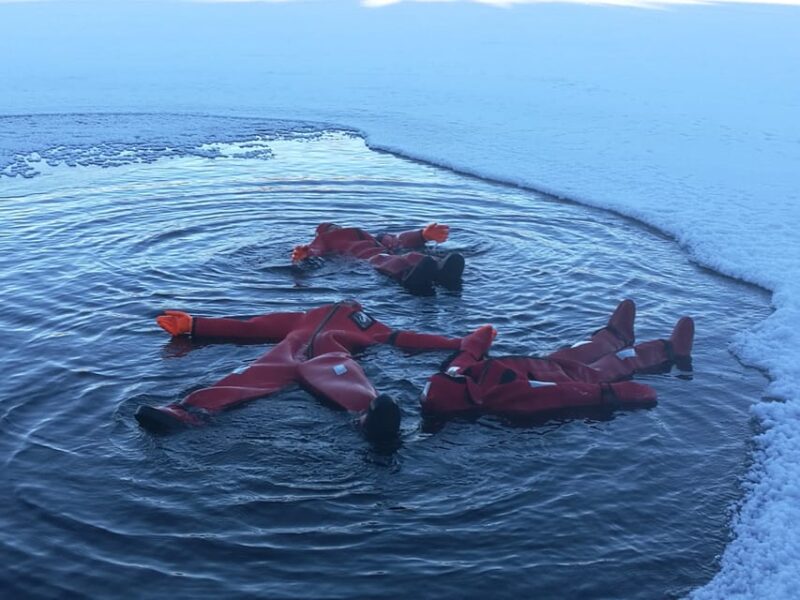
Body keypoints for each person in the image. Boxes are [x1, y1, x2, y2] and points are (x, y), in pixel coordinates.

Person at [135, 300, 492, 443]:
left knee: (348, 379)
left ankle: (371, 417)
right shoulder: (305, 319)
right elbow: (255, 326)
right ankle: (185, 411)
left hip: (327, 357)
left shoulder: (368, 326)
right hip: (287, 355)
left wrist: (464, 342)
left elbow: (409, 338)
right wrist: (196, 324)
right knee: (246, 376)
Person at [420, 299, 694, 418]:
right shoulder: (507, 399)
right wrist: (617, 392)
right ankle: (669, 349)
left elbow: (466, 356)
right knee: (618, 363)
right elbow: (565, 395)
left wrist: (480, 338)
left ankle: (614, 335)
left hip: (549, 363)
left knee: (584, 347)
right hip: (573, 378)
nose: (455, 374)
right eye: (455, 379)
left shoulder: (457, 374)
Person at [291, 222, 465, 292]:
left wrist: (422, 235)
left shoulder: (366, 235)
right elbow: (316, 250)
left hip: (381, 254)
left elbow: (397, 240)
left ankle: (440, 269)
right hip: (367, 260)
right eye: (329, 228)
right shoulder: (324, 240)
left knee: (412, 255)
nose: (334, 229)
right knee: (389, 259)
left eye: (334, 226)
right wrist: (305, 254)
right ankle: (411, 275)